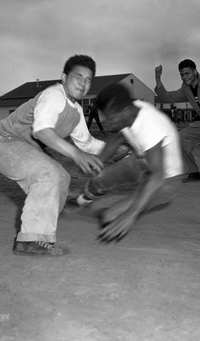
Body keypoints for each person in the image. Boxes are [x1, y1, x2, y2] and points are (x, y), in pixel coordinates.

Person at [0, 55, 105, 256]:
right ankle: (30, 238)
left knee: (62, 177)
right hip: (2, 143)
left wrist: (121, 151)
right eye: (78, 77)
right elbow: (42, 131)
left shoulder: (75, 111)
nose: (83, 84)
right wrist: (76, 154)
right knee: (48, 173)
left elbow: (88, 143)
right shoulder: (53, 96)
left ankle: (43, 222)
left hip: (24, 150)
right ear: (64, 77)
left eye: (88, 80)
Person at [76, 82, 185, 242]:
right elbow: (118, 136)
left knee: (109, 217)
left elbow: (157, 175)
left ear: (125, 111)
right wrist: (99, 161)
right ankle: (81, 201)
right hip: (142, 161)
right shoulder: (130, 110)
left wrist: (131, 214)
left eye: (110, 118)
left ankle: (112, 212)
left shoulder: (151, 126)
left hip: (165, 179)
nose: (107, 122)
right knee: (98, 180)